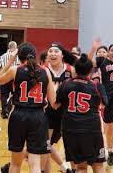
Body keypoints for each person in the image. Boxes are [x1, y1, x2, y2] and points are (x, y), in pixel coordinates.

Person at [0, 42, 57, 173]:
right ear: (34, 56)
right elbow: (54, 101)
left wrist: (10, 60)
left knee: (15, 163)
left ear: (19, 57)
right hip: (38, 117)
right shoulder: (45, 71)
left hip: (18, 115)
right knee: (35, 164)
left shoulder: (15, 70)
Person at [56, 54, 108, 173]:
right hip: (91, 130)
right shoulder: (96, 86)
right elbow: (105, 103)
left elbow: (56, 104)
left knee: (81, 167)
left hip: (70, 130)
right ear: (90, 70)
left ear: (75, 69)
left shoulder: (65, 84)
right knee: (98, 166)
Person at [43, 43, 76, 173]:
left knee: (70, 145)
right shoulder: (43, 70)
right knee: (45, 145)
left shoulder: (71, 70)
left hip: (66, 113)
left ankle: (70, 169)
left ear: (62, 55)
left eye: (56, 51)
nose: (52, 53)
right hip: (47, 112)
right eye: (50, 51)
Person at [0, 41, 20, 119]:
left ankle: (4, 111)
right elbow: (19, 67)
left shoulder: (3, 56)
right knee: (15, 94)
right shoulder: (17, 57)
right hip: (14, 79)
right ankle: (11, 110)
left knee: (4, 95)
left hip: (4, 77)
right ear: (15, 47)